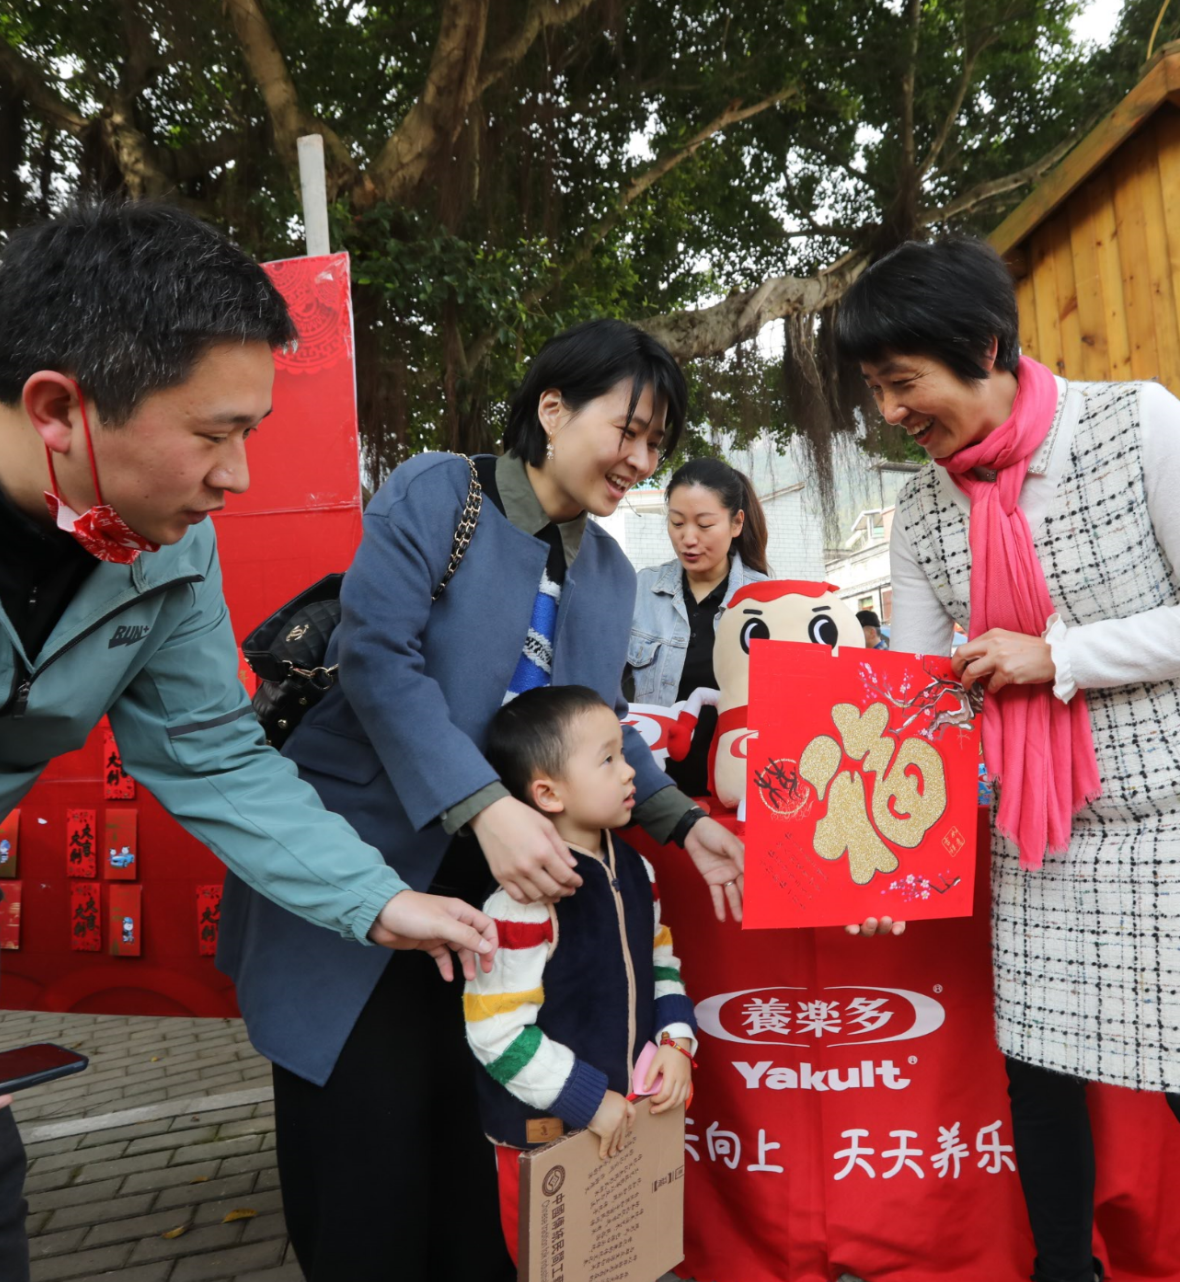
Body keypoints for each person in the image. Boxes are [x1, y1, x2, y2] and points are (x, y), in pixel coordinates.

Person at [0, 201, 495, 1282]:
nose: (237, 478)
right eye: (214, 434)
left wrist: (378, 899)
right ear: (59, 406)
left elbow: (209, 753)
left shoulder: (160, 549)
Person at [216, 318, 745, 1282]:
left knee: (475, 1144)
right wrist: (481, 803)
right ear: (552, 409)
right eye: (626, 430)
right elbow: (378, 657)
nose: (638, 459)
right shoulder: (439, 490)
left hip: (496, 894)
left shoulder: (610, 570)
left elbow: (599, 720)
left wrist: (682, 822)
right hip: (365, 868)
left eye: (655, 444)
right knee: (366, 1152)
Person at [841, 239, 1180, 1282]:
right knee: (1040, 1080)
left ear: (983, 346)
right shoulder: (925, 506)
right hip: (1043, 835)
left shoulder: (1134, 421)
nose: (890, 412)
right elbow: (919, 691)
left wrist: (1058, 655)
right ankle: (1065, 1272)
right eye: (875, 390)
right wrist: (881, 851)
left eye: (902, 382)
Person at [463, 685, 696, 1262]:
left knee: (626, 1255)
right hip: (544, 1140)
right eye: (608, 759)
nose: (628, 773)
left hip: (630, 1116)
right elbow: (497, 1034)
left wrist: (676, 1041)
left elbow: (660, 959)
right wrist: (587, 1099)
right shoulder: (521, 902)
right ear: (547, 792)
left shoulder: (637, 867)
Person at [625, 456, 770, 795]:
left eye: (704, 525)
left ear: (736, 523)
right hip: (652, 791)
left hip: (738, 793)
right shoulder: (640, 591)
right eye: (677, 523)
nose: (688, 538)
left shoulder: (763, 600)